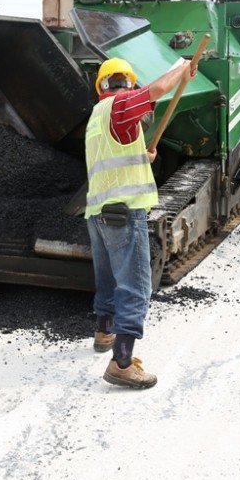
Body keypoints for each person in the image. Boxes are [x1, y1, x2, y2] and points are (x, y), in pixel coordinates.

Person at [85, 55, 196, 389]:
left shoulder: (97, 114)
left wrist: (143, 157)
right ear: (128, 84)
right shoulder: (120, 105)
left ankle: (104, 332)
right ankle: (121, 362)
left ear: (100, 86)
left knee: (106, 280)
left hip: (98, 213)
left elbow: (113, 157)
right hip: (123, 213)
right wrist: (183, 68)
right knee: (135, 286)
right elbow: (158, 89)